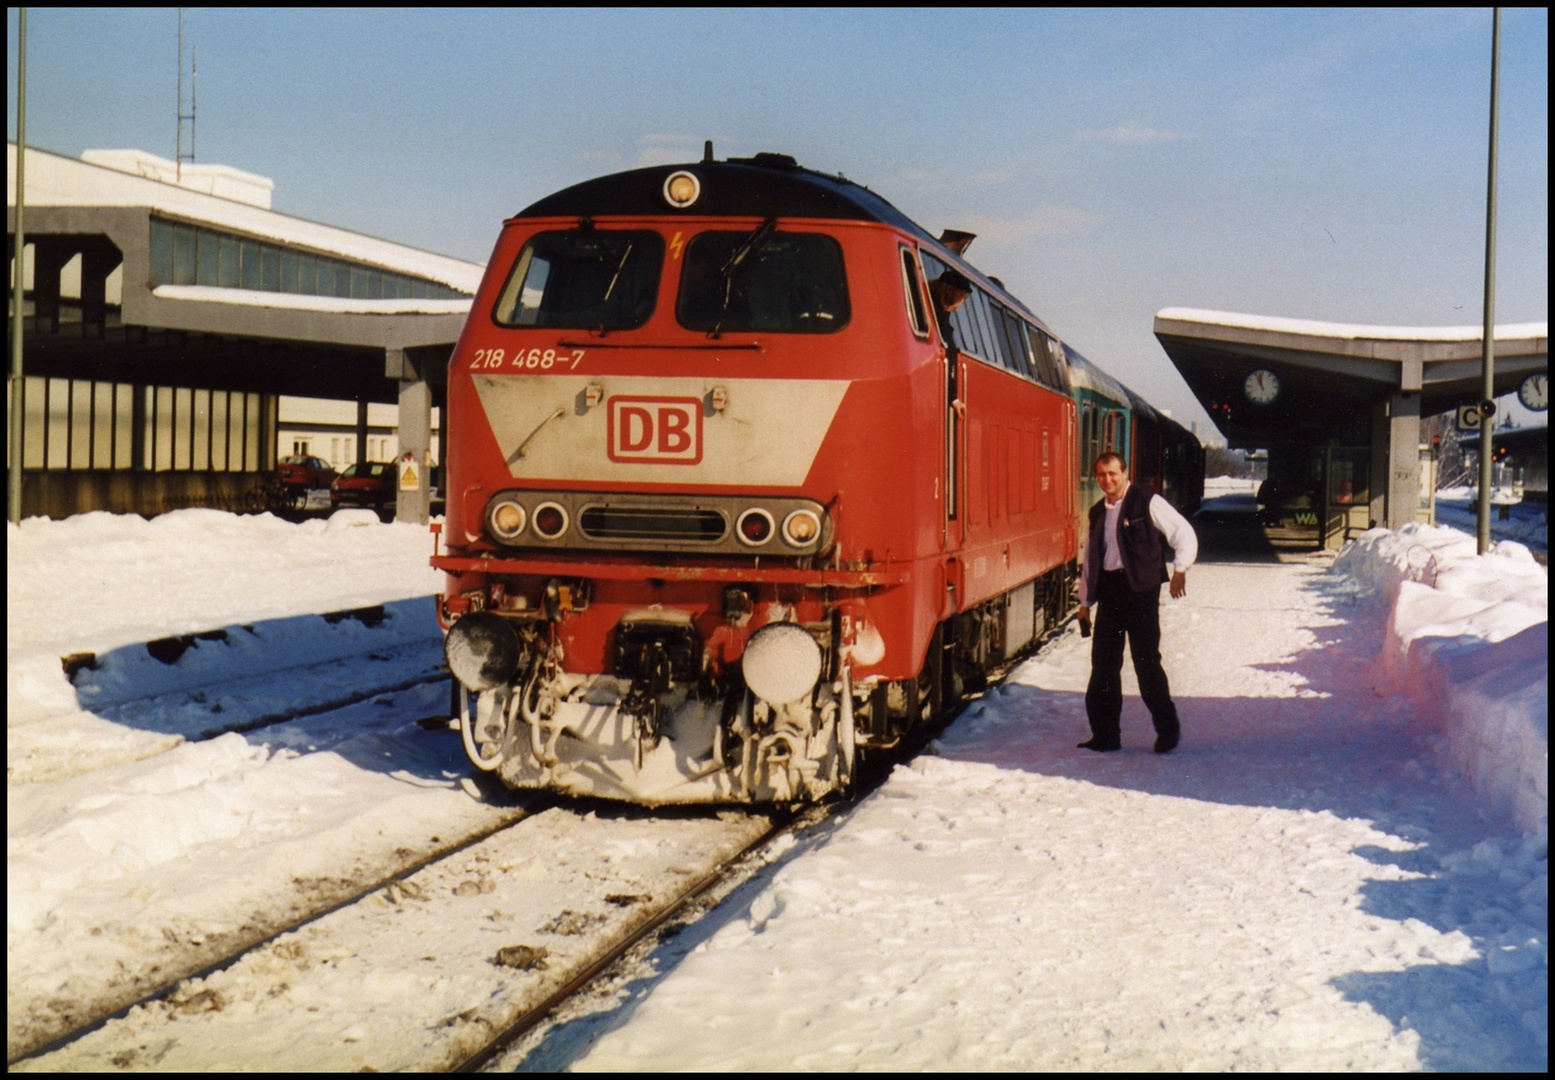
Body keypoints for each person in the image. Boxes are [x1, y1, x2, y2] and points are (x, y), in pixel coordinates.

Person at [1076, 452, 1198, 753]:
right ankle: (1106, 736)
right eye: (1102, 475)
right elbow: (1092, 561)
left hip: (1141, 593)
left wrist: (1180, 570)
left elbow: (1183, 533)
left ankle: (1168, 730)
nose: (1107, 480)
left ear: (1125, 472)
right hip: (1110, 593)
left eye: (1113, 473)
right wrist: (1084, 602)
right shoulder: (1097, 512)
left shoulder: (1147, 501)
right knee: (1104, 667)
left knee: (1146, 664)